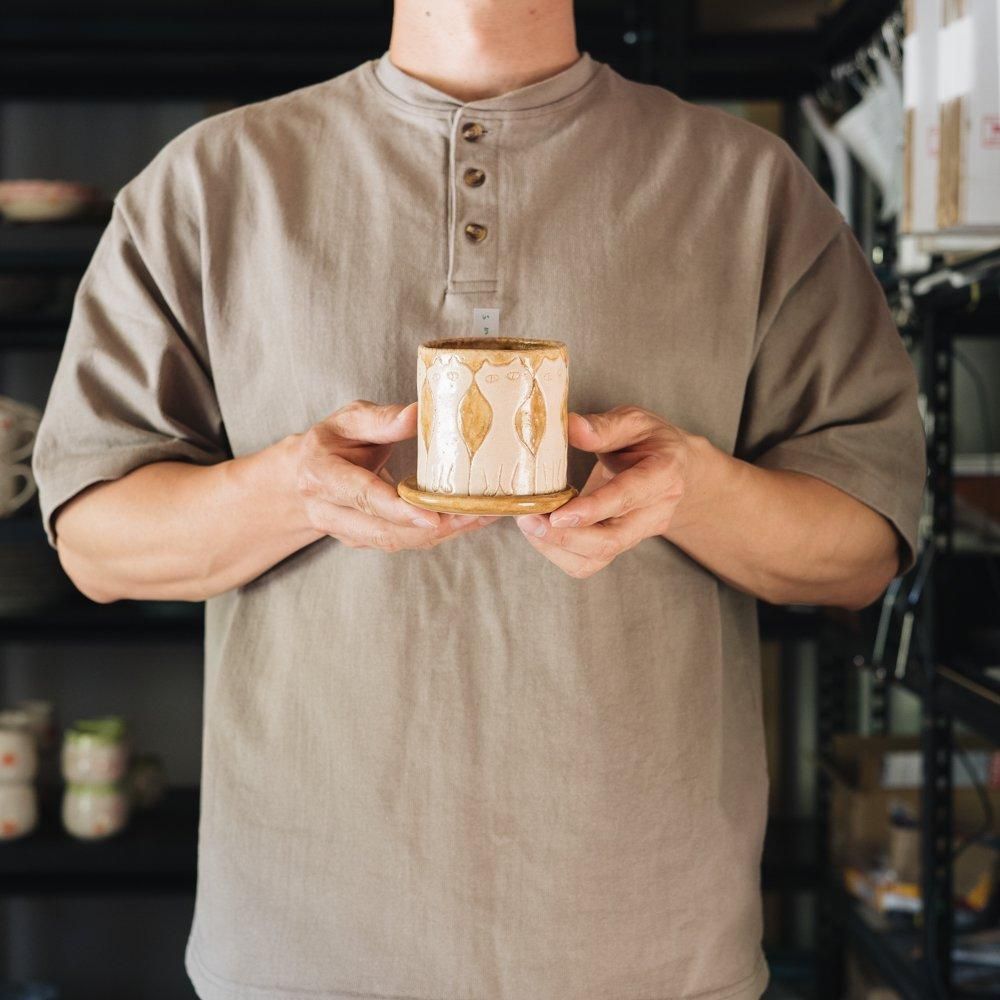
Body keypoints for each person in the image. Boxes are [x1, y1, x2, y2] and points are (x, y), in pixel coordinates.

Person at [32, 1, 926, 998]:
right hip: (299, 948)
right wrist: (290, 489)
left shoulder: (751, 184)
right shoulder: (208, 183)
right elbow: (96, 543)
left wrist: (697, 492)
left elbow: (862, 548)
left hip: (650, 954)